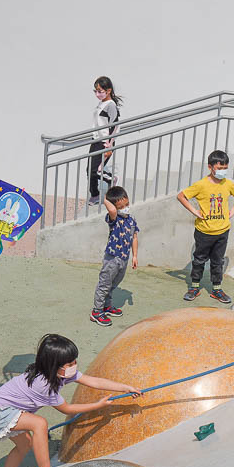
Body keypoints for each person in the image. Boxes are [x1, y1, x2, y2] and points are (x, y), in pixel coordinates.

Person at [0, 334, 142, 467]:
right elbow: (67, 409)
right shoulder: (44, 384)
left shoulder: (60, 373)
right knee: (39, 424)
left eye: (75, 361)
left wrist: (125, 387)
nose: (74, 365)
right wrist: (97, 405)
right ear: (53, 365)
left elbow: (93, 381)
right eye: (70, 363)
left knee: (25, 446)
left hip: (5, 409)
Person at [177, 150, 234, 303]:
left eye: (225, 168)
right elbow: (181, 196)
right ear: (210, 167)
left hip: (223, 231)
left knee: (217, 261)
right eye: (219, 168)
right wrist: (195, 211)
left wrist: (231, 212)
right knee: (199, 260)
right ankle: (194, 287)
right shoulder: (201, 184)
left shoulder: (228, 184)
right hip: (204, 231)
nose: (222, 171)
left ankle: (217, 289)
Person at [90, 186, 139, 327]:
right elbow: (111, 210)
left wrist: (135, 256)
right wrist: (105, 197)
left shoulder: (131, 219)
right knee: (104, 285)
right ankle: (97, 311)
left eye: (127, 204)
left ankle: (107, 306)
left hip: (124, 259)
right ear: (115, 207)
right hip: (112, 259)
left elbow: (134, 238)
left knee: (113, 284)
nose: (125, 208)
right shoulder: (114, 218)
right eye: (121, 206)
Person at [88, 76, 122, 206]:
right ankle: (95, 195)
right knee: (89, 171)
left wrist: (109, 145)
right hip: (96, 140)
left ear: (108, 91)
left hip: (104, 142)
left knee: (95, 170)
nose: (97, 94)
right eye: (95, 91)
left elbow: (115, 125)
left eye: (100, 91)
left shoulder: (111, 105)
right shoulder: (101, 103)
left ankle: (110, 179)